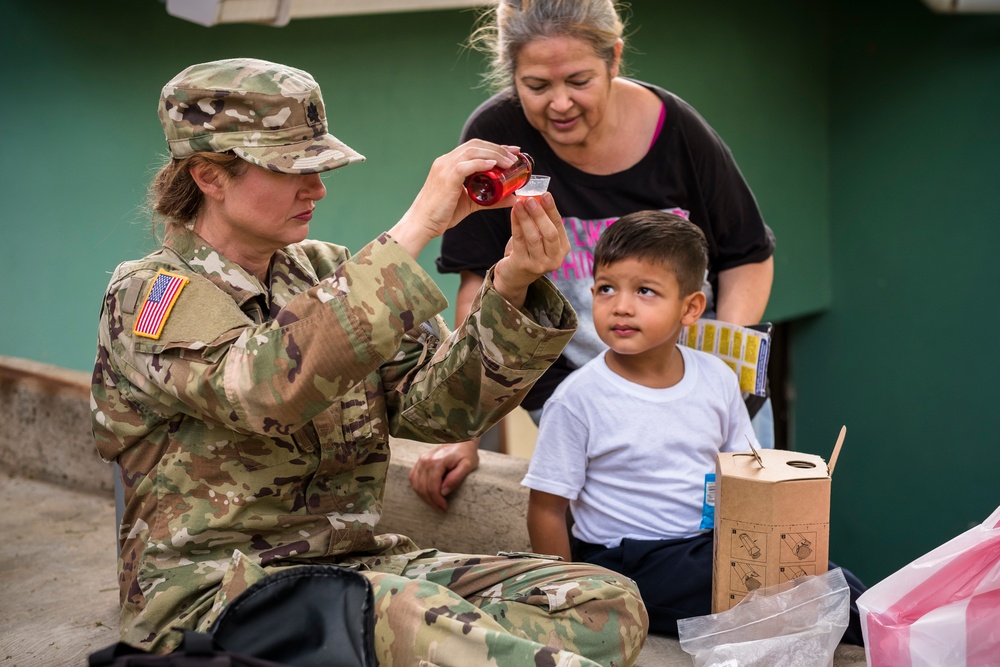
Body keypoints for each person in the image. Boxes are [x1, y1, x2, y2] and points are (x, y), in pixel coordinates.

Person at [90, 57, 648, 666]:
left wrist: (510, 286)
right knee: (410, 617)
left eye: (320, 167)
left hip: (360, 567)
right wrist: (420, 225)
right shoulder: (149, 295)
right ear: (208, 175)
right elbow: (266, 387)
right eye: (292, 170)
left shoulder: (326, 271)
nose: (318, 188)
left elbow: (441, 412)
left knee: (599, 601)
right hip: (222, 594)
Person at [409, 0, 776, 512]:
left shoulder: (679, 132)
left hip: (701, 384)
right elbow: (479, 291)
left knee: (748, 535)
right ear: (512, 75)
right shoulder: (497, 139)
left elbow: (748, 255)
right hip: (577, 390)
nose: (559, 103)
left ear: (615, 60)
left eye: (579, 80)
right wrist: (465, 431)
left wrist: (707, 376)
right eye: (537, 86)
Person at [521, 211, 864, 644]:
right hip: (625, 562)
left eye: (645, 291)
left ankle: (895, 626)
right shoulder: (577, 399)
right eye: (607, 288)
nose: (621, 305)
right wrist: (569, 598)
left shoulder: (717, 379)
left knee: (828, 576)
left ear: (691, 308)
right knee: (793, 598)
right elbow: (547, 508)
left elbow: (746, 472)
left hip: (709, 543)